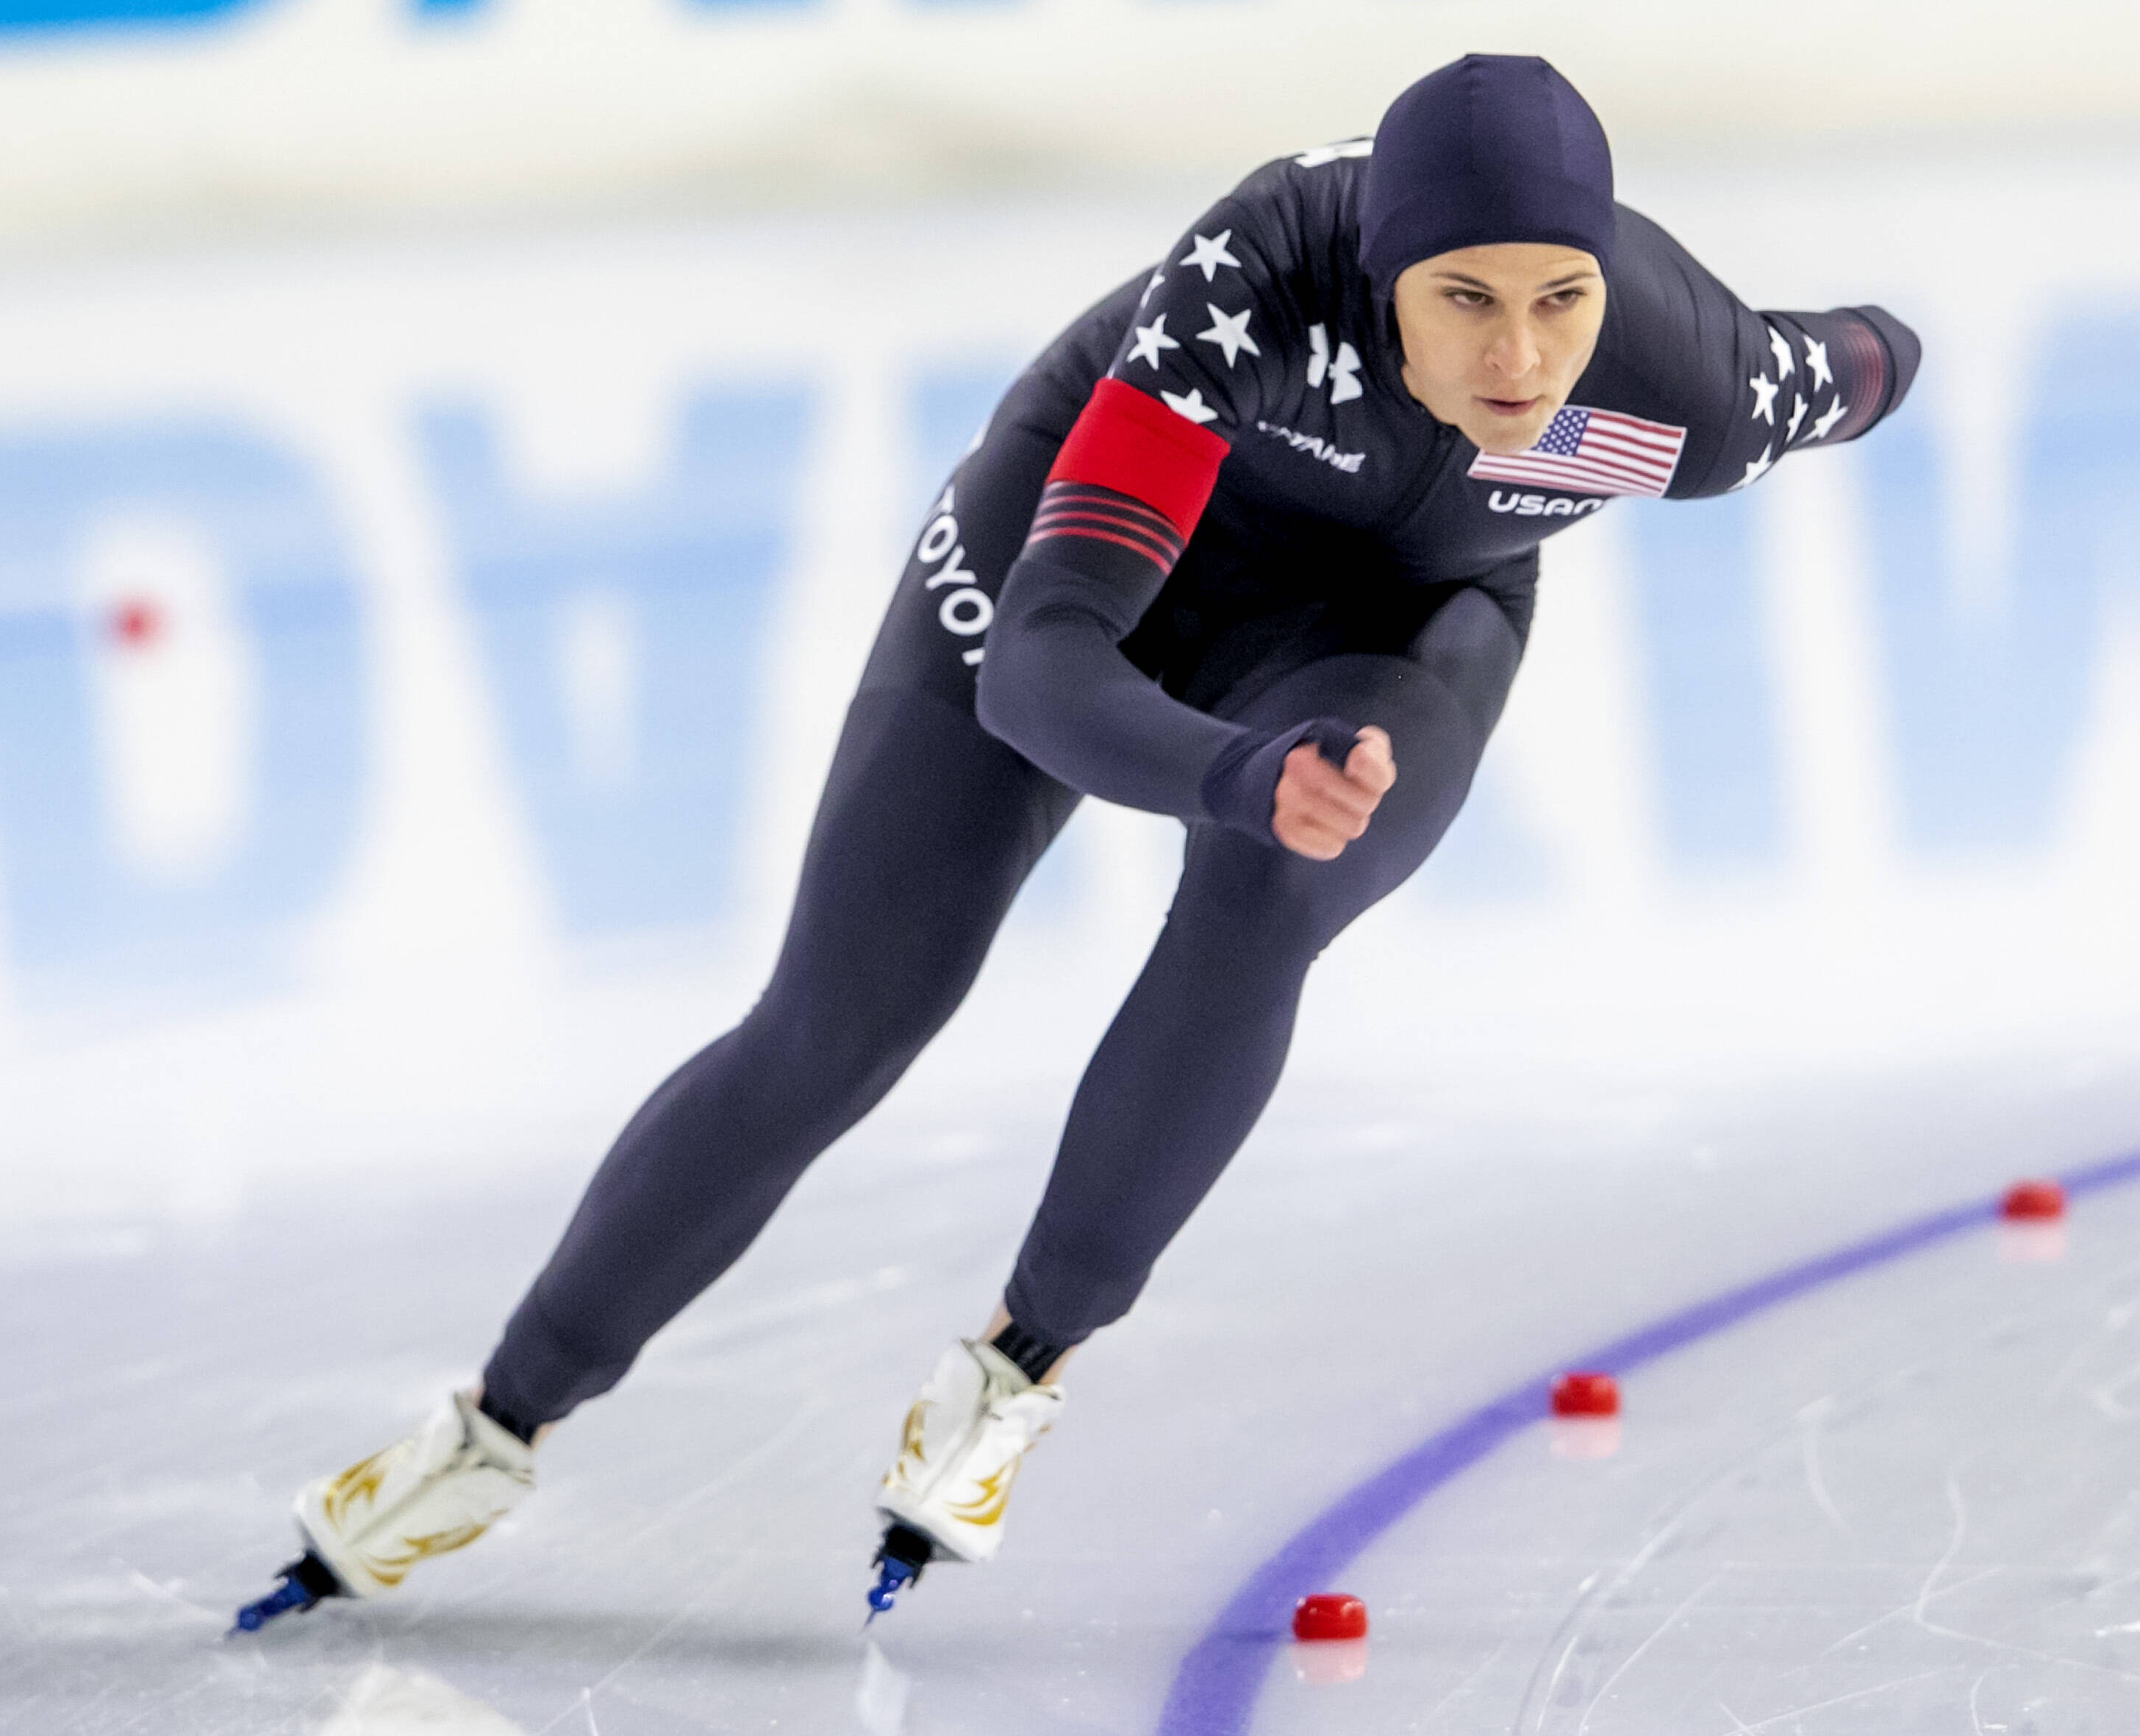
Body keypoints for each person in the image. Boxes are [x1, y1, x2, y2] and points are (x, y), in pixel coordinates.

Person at [232, 53, 1920, 1632]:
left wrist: (1276, 796)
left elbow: (1870, 356)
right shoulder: (1244, 292)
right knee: (840, 1025)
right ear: (1384, 273)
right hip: (1082, 560)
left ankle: (1018, 1361)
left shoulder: (1685, 384)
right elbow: (1044, 667)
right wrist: (1227, 767)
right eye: (1462, 298)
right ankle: (499, 1416)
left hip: (1395, 620)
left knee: (1278, 888)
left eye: (1558, 300)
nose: (1519, 360)